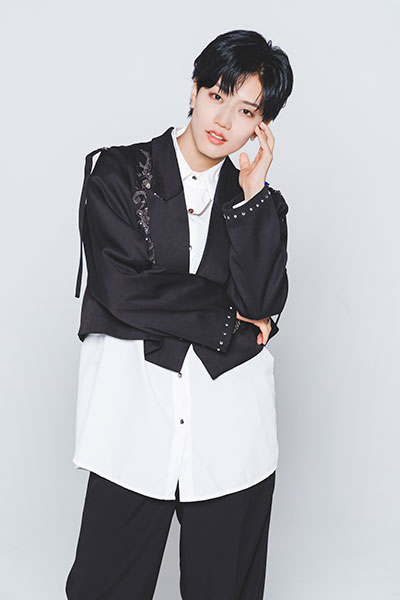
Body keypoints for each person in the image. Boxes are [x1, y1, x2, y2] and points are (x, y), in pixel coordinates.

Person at [65, 28, 293, 600]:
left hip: (231, 432)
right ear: (193, 89)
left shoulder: (260, 203)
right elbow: (121, 291)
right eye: (217, 96)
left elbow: (262, 303)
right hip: (132, 421)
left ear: (261, 126)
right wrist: (230, 327)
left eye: (247, 111)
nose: (225, 121)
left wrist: (253, 196)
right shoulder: (118, 174)